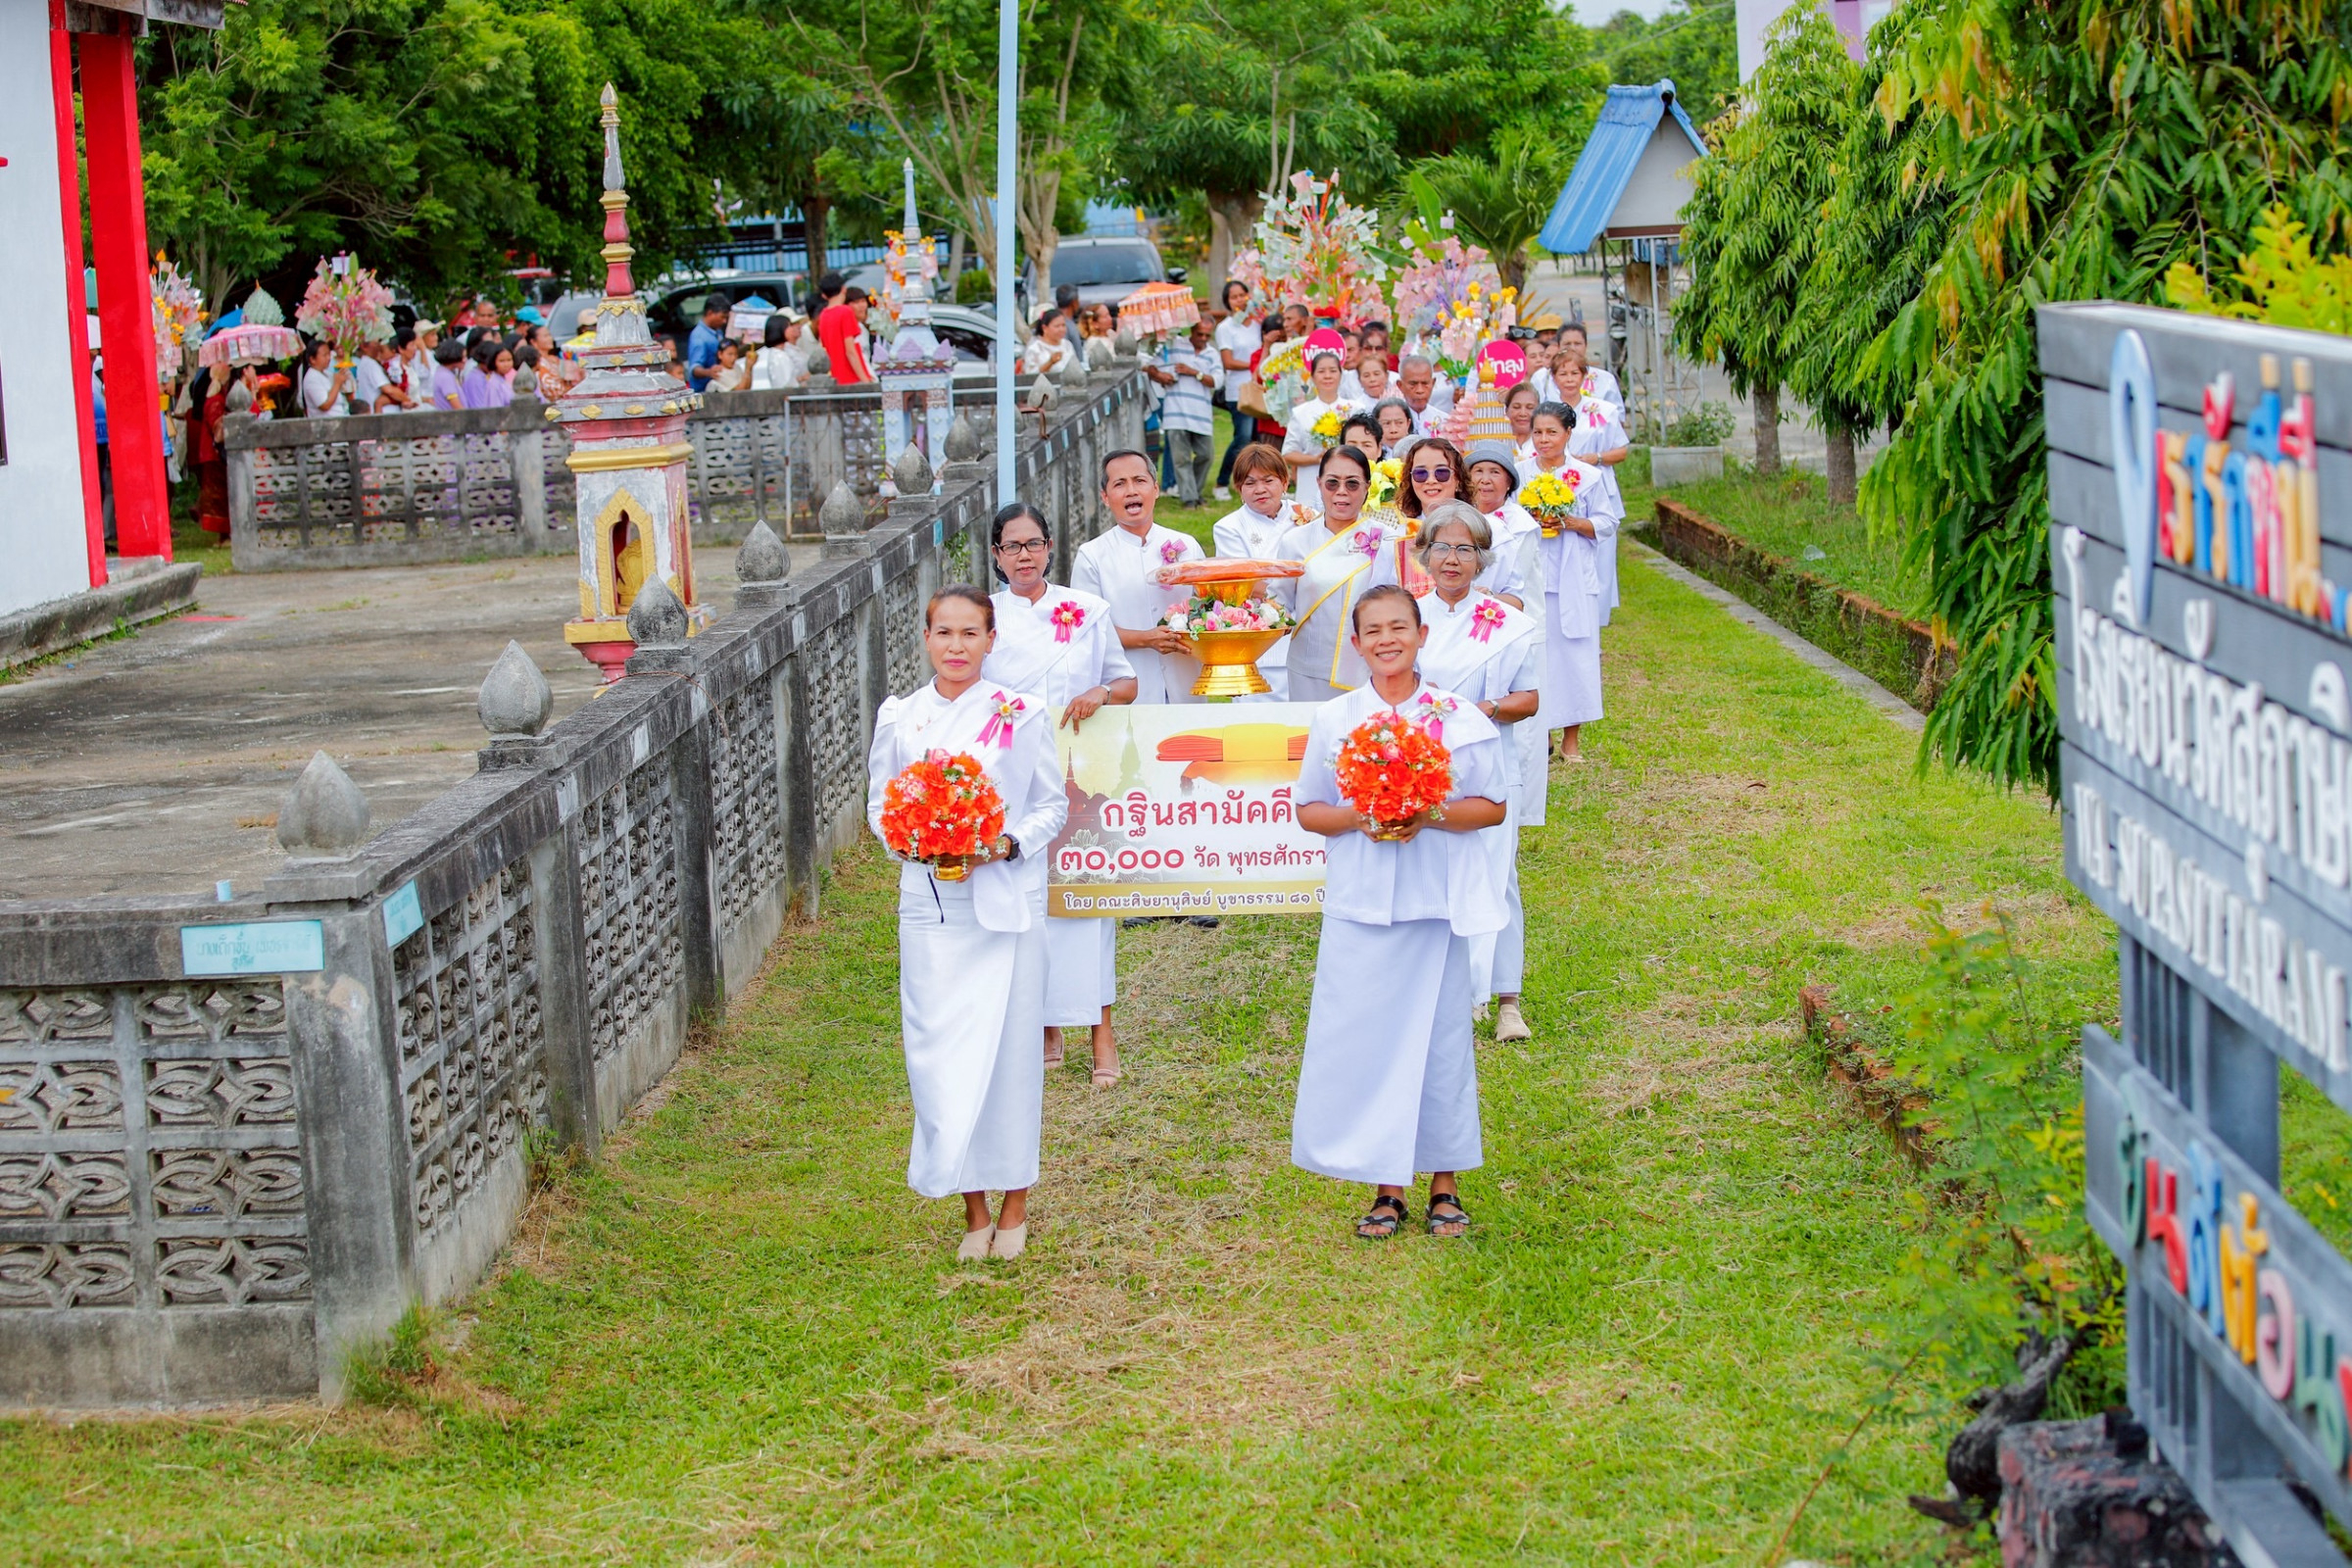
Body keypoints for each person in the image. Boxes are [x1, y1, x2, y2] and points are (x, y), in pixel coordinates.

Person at [1290, 583, 1510, 1239]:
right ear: (1355, 644)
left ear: (1421, 635)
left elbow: (1491, 806)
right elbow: (1308, 811)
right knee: (1372, 1045)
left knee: (1440, 1045)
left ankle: (1445, 1186)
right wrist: (1363, 816)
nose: (1386, 640)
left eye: (1399, 627)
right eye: (1373, 630)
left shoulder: (1455, 716)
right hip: (1360, 906)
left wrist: (1427, 813)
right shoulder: (1336, 720)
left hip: (1431, 905)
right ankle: (1387, 1188)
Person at [866, 586, 1066, 1262]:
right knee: (942, 1061)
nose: (956, 646)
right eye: (943, 633)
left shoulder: (1021, 712)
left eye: (970, 634)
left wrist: (1003, 843)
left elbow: (1050, 806)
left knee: (1009, 1058)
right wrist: (918, 841)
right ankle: (970, 1207)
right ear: (925, 637)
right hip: (932, 909)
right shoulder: (900, 718)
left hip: (1004, 905)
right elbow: (879, 808)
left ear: (990, 640)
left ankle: (1015, 1202)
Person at [983, 502, 1138, 1083]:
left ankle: (1101, 1032)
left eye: (1033, 544)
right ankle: (1044, 1026)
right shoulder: (984, 618)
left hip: (1081, 773)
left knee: (1084, 900)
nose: (1023, 556)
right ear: (996, 556)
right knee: (1028, 900)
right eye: (1011, 547)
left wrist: (1100, 692)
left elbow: (1127, 680)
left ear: (1050, 546)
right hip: (1013, 777)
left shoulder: (1088, 610)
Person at [1411, 504, 1542, 1043]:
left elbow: (1529, 700)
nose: (1453, 559)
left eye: (1466, 549)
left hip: (1491, 760)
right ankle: (1450, 994)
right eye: (1442, 547)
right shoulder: (1408, 615)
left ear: (1482, 560)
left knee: (1496, 875)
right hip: (1424, 764)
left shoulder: (1507, 624)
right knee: (1434, 876)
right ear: (1424, 555)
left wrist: (1479, 710)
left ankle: (1506, 998)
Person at [1072, 449, 1204, 706]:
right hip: (1128, 690)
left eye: (1139, 481)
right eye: (1119, 484)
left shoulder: (1186, 546)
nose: (1131, 491)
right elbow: (1087, 631)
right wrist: (1147, 638)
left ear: (1155, 489)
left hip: (1187, 684)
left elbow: (1209, 608)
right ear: (1105, 497)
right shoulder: (1092, 556)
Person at [1271, 446, 1403, 702]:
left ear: (1367, 487)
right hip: (1308, 667)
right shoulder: (1294, 541)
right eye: (1332, 483)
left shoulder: (1386, 539)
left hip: (1370, 664)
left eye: (1352, 484)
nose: (1341, 492)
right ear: (1319, 484)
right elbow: (1279, 606)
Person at [1520, 403, 1609, 759]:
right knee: (1535, 656)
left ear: (1568, 433)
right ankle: (1540, 734)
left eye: (1552, 432)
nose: (1544, 440)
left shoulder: (1588, 477)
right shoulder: (1521, 474)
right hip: (1533, 576)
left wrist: (1569, 521)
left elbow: (1605, 522)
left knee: (1575, 657)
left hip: (1573, 577)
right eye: (1538, 432)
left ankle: (1571, 738)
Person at [1556, 336, 1633, 626]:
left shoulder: (1602, 410)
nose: (1569, 379)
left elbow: (1621, 450)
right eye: (1562, 373)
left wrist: (1596, 458)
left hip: (1597, 485)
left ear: (1584, 376)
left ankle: (1598, 616)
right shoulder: (1548, 411)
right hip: (1557, 490)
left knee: (1601, 553)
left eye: (1574, 373)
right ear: (1554, 378)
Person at [1281, 352, 1361, 512]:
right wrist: (1316, 459)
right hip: (1311, 480)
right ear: (1312, 377)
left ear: (1340, 374)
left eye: (1332, 371)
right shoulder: (1301, 412)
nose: (1327, 376)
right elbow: (1288, 454)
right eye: (1321, 371)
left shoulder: (1355, 409)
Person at [1162, 318, 1220, 506]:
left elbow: (1218, 381)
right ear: (1192, 331)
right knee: (1181, 459)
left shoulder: (1212, 353)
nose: (1203, 338)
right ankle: (1189, 498)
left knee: (1206, 455)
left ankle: (1193, 491)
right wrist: (1160, 375)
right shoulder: (1175, 345)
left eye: (1207, 335)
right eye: (1199, 334)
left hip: (1201, 413)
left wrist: (1194, 372)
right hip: (1175, 412)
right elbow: (1154, 363)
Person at [1211, 280, 1260, 499]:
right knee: (1242, 437)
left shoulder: (1258, 324)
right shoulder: (1226, 328)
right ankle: (1222, 482)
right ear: (1228, 302)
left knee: (1257, 439)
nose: (1240, 300)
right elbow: (1228, 361)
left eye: (1243, 295)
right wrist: (1256, 365)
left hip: (1260, 389)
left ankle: (1253, 481)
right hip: (1238, 391)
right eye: (1234, 297)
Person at [817, 286, 874, 385]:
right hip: (853, 379)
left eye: (863, 301)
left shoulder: (824, 316)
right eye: (856, 303)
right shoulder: (844, 315)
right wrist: (866, 382)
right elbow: (851, 352)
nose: (862, 306)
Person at [683, 292, 730, 394]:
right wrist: (709, 372)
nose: (724, 321)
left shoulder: (717, 331)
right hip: (704, 393)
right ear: (710, 313)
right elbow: (694, 369)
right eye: (722, 317)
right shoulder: (699, 337)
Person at [751, 312, 808, 390]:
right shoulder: (780, 356)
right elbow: (787, 384)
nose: (792, 329)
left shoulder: (780, 354)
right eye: (789, 326)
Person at [299, 340, 350, 418]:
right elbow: (325, 405)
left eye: (329, 354)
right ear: (312, 359)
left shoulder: (327, 374)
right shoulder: (311, 378)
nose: (329, 358)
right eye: (325, 355)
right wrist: (337, 383)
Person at [1020, 309, 1077, 376]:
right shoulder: (1035, 348)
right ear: (1045, 328)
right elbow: (1029, 374)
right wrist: (1050, 363)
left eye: (1063, 325)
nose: (1061, 329)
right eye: (1057, 326)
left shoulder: (1067, 345)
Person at [1396, 356, 1444, 437]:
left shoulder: (1445, 421)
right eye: (1413, 384)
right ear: (1400, 385)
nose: (1420, 390)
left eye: (1425, 383)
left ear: (1433, 383)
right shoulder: (1390, 421)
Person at [428, 338, 466, 410]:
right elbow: (456, 406)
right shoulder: (445, 377)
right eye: (463, 357)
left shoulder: (445, 373)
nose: (465, 360)